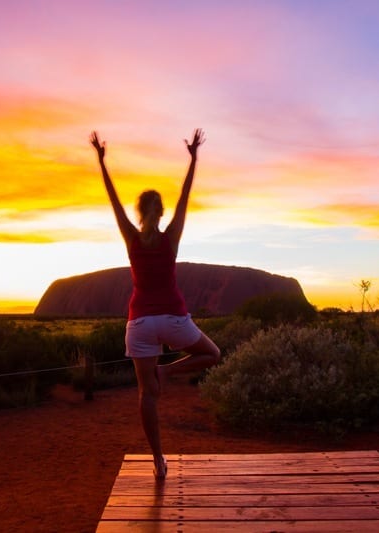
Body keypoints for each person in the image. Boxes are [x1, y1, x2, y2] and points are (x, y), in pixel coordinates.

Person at [90, 129, 221, 480]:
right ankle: (168, 371)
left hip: (140, 324)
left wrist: (101, 161)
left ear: (138, 213)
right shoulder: (171, 237)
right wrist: (193, 159)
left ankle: (158, 460)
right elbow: (185, 197)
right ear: (161, 213)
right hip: (175, 319)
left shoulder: (131, 238)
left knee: (147, 395)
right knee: (213, 354)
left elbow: (112, 200)